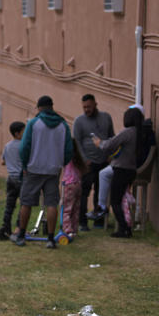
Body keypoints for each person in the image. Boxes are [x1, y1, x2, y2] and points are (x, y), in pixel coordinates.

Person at [11, 95, 72, 248]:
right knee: (52, 203)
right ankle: (51, 239)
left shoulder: (33, 123)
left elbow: (24, 147)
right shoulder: (63, 125)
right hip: (53, 170)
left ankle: (21, 236)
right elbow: (69, 150)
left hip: (34, 168)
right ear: (52, 107)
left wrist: (25, 165)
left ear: (39, 108)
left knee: (26, 203)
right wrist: (60, 163)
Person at [92, 107, 145, 238]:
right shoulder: (140, 133)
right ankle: (126, 227)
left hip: (121, 169)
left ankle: (124, 228)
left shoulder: (128, 132)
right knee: (121, 199)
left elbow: (110, 144)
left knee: (115, 201)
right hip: (131, 170)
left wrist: (99, 143)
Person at [72, 94, 115, 231]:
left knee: (100, 192)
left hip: (103, 161)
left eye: (89, 107)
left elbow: (111, 137)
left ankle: (98, 220)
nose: (86, 110)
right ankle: (82, 222)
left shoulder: (106, 118)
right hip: (88, 164)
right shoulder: (79, 121)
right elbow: (77, 142)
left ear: (95, 104)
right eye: (84, 107)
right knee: (84, 192)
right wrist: (84, 160)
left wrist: (110, 155)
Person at [0, 121, 26, 241]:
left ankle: (6, 227)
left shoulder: (7, 146)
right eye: (24, 131)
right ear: (18, 133)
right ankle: (19, 227)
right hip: (21, 179)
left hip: (10, 179)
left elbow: (3, 162)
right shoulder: (23, 146)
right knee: (24, 204)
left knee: (10, 205)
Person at [60, 143, 87, 237]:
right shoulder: (77, 158)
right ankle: (74, 229)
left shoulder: (66, 157)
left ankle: (68, 230)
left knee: (66, 208)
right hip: (78, 184)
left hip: (69, 184)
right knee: (75, 208)